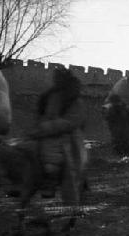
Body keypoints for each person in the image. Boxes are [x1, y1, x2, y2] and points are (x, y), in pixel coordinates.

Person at [28, 67, 87, 206]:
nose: (55, 80)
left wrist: (46, 128)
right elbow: (46, 115)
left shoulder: (75, 100)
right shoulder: (51, 96)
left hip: (69, 137)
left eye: (58, 77)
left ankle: (67, 200)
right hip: (48, 133)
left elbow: (71, 122)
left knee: (65, 165)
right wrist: (38, 129)